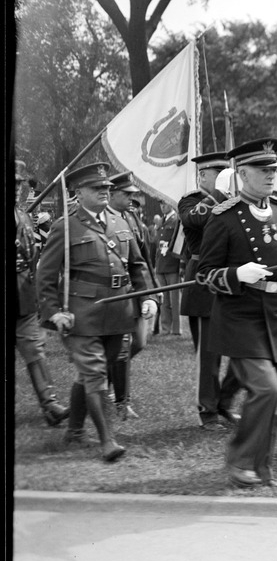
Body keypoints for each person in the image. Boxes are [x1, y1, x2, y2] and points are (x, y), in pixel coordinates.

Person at [197, 137, 277, 488]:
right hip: (240, 317)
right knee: (267, 389)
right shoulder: (224, 218)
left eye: (273, 169)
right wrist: (235, 274)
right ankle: (239, 460)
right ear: (241, 173)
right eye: (262, 170)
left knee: (272, 398)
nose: (270, 176)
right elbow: (205, 275)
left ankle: (262, 470)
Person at [35, 162, 157, 462]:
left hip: (119, 311)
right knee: (96, 373)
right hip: (82, 313)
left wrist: (148, 296)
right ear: (78, 192)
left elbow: (138, 264)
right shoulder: (65, 226)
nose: (104, 192)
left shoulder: (121, 222)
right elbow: (45, 276)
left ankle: (75, 431)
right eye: (97, 188)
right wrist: (54, 313)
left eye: (106, 188)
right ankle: (108, 442)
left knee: (89, 374)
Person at [178, 152, 243, 430]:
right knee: (209, 353)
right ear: (202, 176)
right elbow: (195, 220)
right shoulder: (190, 201)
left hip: (232, 280)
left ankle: (224, 402)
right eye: (215, 173)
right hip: (203, 282)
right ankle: (208, 412)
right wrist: (218, 193)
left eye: (224, 172)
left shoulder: (235, 202)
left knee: (245, 347)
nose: (223, 177)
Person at [13, 159, 70, 427]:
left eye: (17, 183)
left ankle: (50, 404)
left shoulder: (22, 214)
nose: (15, 188)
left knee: (35, 350)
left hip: (23, 297)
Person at [106, 171, 158, 420]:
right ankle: (121, 401)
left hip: (135, 290)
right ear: (111, 193)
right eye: (126, 194)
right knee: (124, 347)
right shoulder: (102, 220)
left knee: (139, 342)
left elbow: (142, 260)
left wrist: (150, 294)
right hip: (114, 294)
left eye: (132, 194)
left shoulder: (132, 218)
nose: (131, 198)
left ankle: (106, 376)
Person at [154, 201, 183, 337]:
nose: (162, 207)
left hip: (172, 264)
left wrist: (180, 263)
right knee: (164, 300)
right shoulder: (161, 220)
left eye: (165, 204)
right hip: (161, 264)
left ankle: (176, 329)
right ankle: (165, 328)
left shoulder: (176, 219)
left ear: (171, 204)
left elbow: (179, 242)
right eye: (160, 205)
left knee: (174, 300)